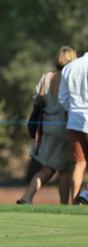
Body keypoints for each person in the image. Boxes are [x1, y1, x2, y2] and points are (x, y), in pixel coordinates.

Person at [17, 46, 77, 204]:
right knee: (65, 171)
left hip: (46, 129)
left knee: (46, 169)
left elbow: (37, 99)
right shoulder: (71, 78)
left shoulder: (46, 78)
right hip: (65, 128)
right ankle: (64, 205)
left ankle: (27, 196)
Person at [58, 47, 88, 204]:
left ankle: (76, 203)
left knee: (80, 163)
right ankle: (86, 193)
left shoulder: (70, 67)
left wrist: (74, 109)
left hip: (74, 119)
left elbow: (62, 98)